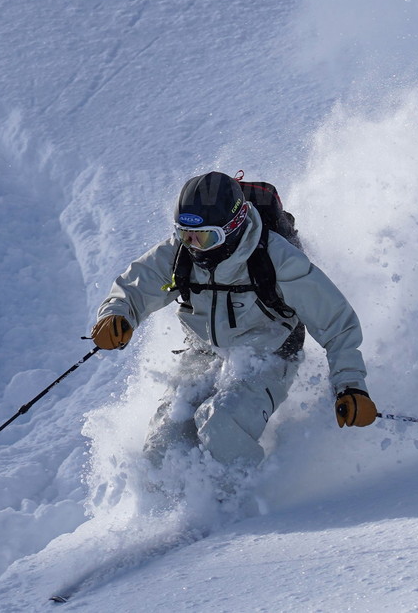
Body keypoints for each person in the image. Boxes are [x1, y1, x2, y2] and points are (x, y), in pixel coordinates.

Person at [89, 171, 376, 470]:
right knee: (163, 444)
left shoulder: (278, 259)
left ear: (234, 226)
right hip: (203, 353)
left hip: (267, 357)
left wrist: (351, 386)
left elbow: (337, 322)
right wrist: (116, 314)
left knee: (221, 426)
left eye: (206, 236)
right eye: (184, 234)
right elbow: (135, 286)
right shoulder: (181, 252)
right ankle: (168, 512)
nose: (194, 245)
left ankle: (250, 508)